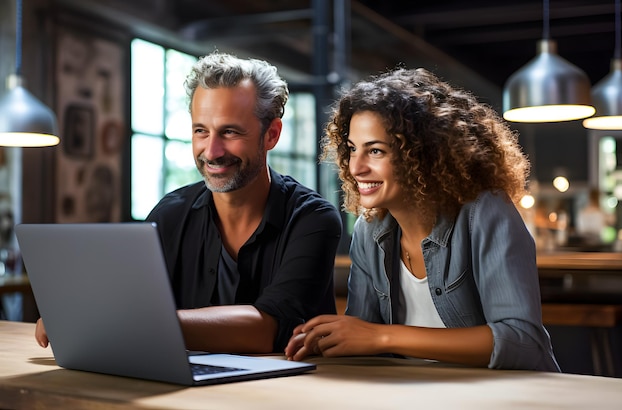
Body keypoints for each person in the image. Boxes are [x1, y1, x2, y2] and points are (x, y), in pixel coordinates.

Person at [35, 52, 342, 354]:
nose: (212, 151)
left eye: (230, 132)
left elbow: (269, 329)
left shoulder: (312, 219)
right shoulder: (170, 213)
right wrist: (76, 314)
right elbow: (128, 301)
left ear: (271, 134)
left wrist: (129, 324)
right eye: (201, 131)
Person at [285, 67, 560, 371]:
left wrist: (384, 337)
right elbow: (364, 340)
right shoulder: (368, 230)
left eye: (375, 151)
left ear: (422, 155)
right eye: (352, 149)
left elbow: (522, 341)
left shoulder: (484, 212)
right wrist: (326, 340)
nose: (356, 167)